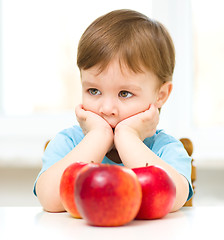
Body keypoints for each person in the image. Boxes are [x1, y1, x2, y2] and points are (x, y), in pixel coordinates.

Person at [34, 9, 193, 213]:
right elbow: (49, 200)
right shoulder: (69, 143)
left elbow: (170, 199)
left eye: (125, 93)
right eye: (94, 90)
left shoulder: (166, 149)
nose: (106, 109)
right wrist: (98, 136)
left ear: (161, 95)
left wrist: (127, 137)